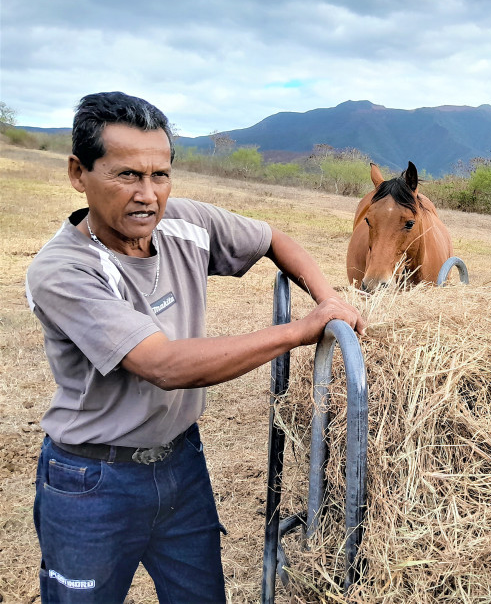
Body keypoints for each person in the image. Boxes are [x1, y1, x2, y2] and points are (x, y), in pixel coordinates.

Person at [25, 91, 365, 603]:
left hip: (181, 462)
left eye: (159, 175)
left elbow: (273, 239)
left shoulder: (184, 223)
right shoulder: (63, 270)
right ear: (79, 173)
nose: (147, 195)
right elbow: (162, 365)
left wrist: (329, 298)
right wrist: (301, 330)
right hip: (94, 479)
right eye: (126, 175)